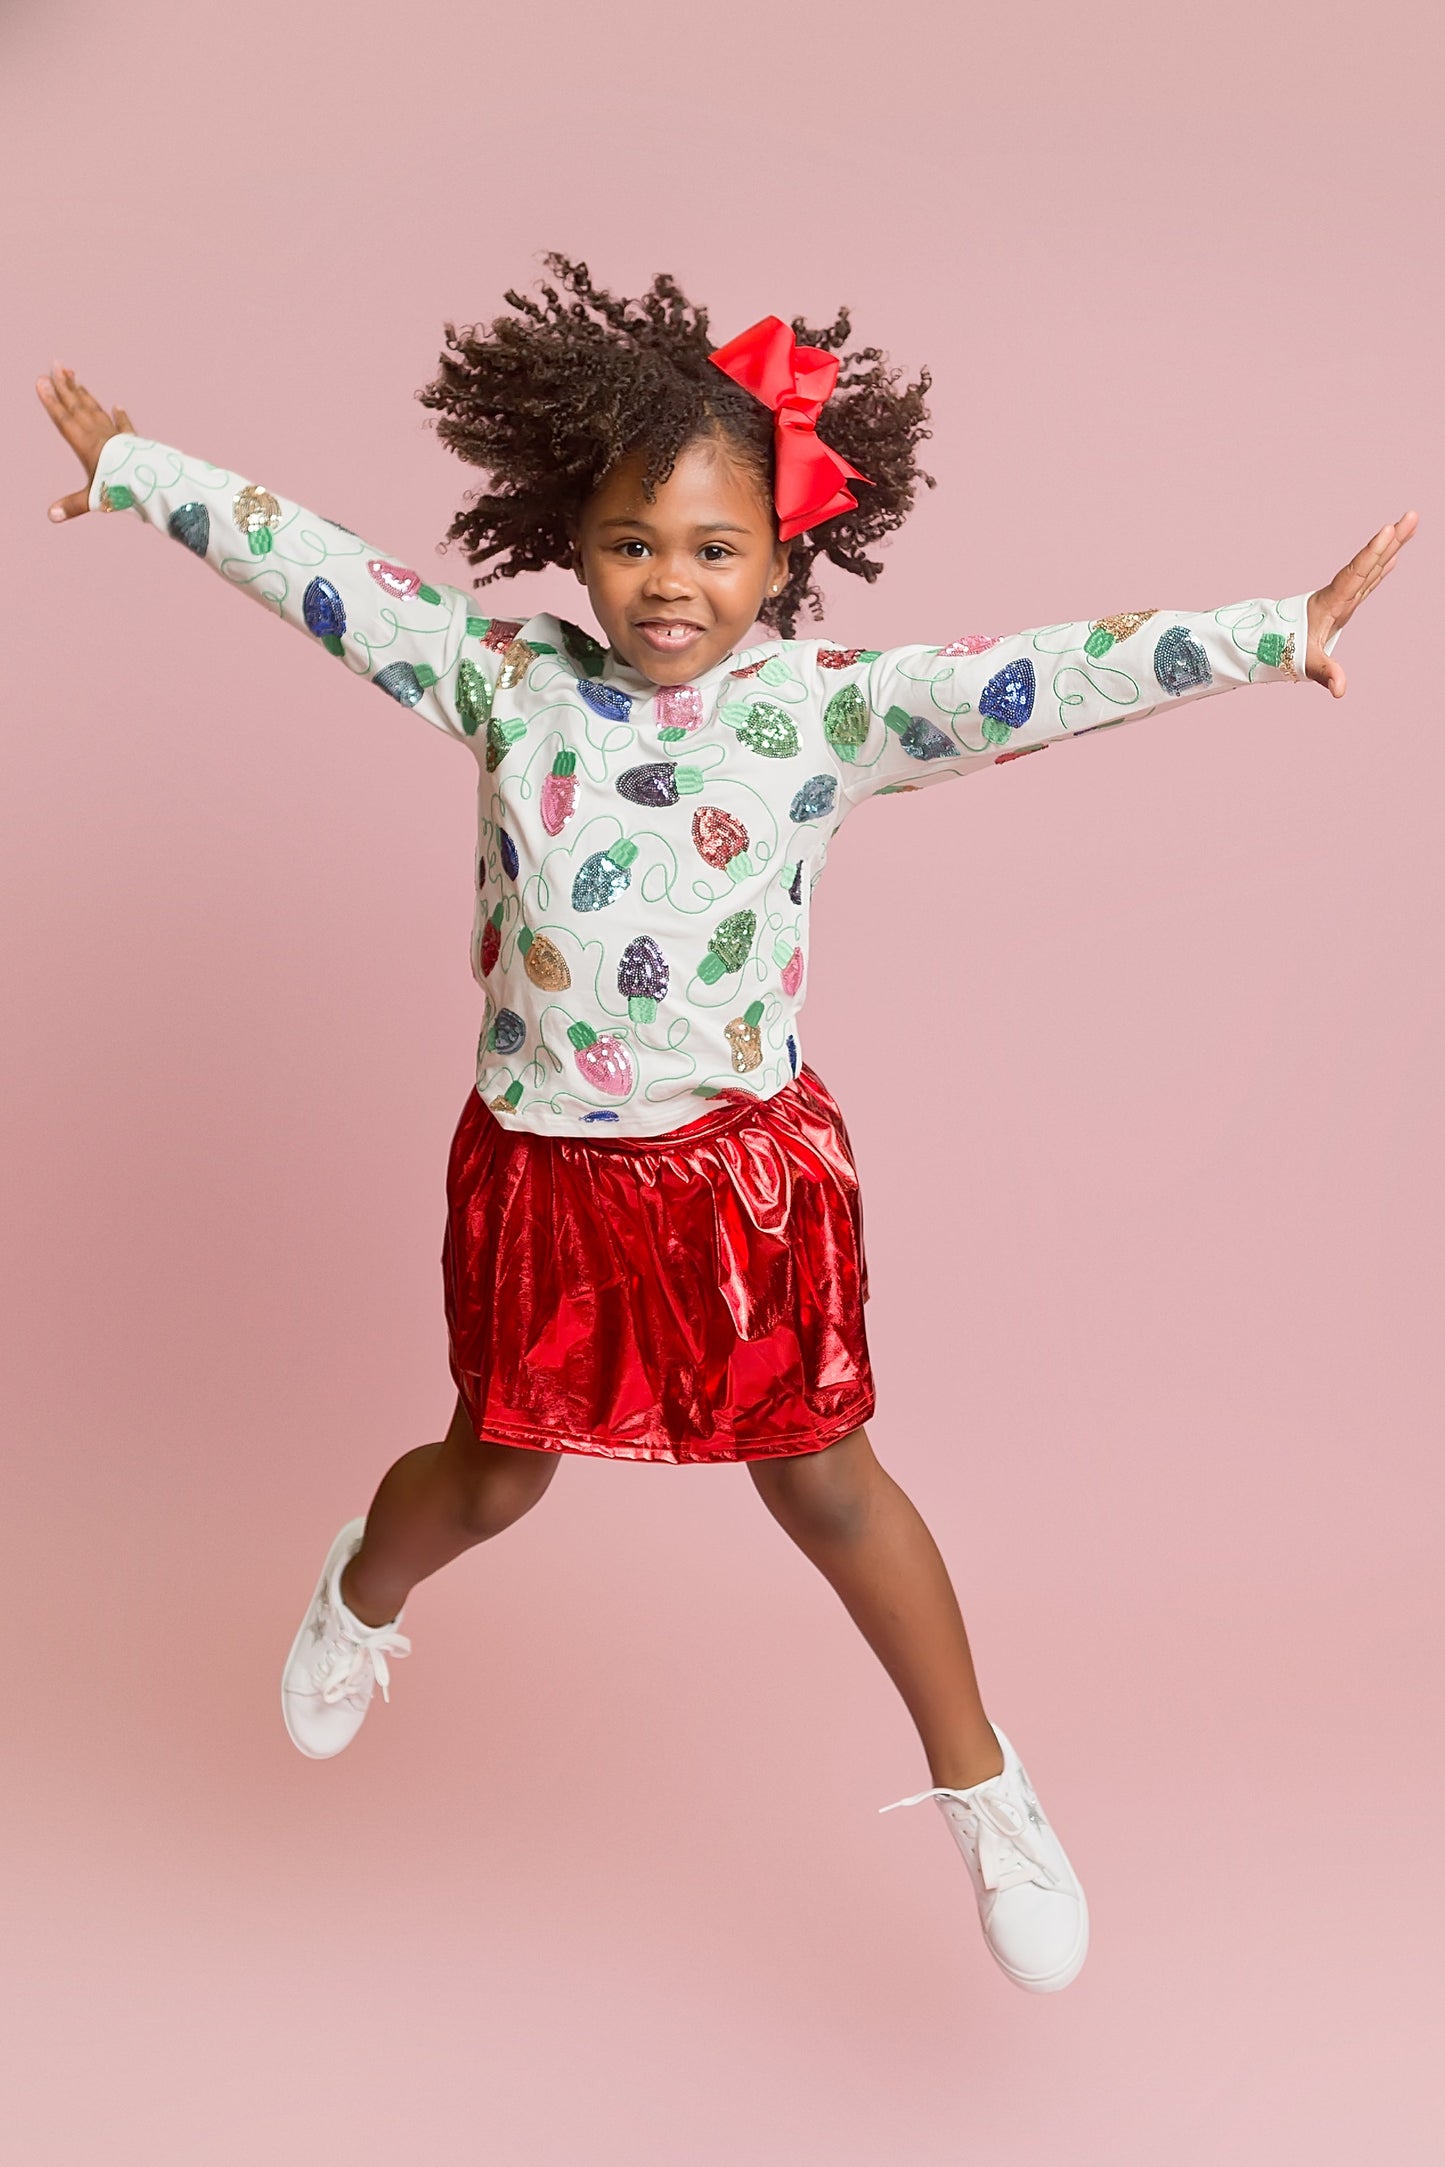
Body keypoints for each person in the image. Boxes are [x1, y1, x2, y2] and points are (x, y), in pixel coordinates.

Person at [37, 256, 1415, 1996]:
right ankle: (354, 1599)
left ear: (782, 557)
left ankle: (985, 1787)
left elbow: (1046, 673)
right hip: (545, 1171)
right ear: (570, 540)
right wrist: (153, 475)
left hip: (741, 1180)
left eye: (711, 549)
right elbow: (332, 579)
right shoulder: (501, 677)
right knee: (495, 1468)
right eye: (629, 543)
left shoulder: (823, 715)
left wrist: (1271, 634)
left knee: (823, 1481)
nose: (667, 583)